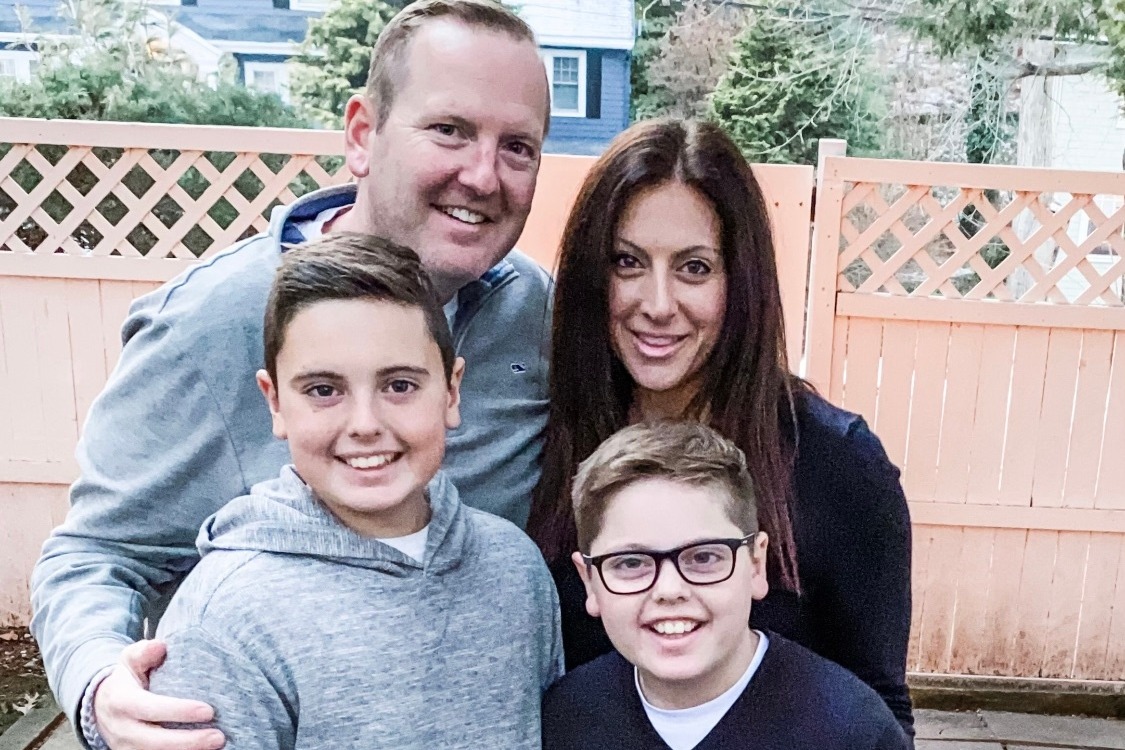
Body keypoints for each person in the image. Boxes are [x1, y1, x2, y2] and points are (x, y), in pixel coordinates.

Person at [31, 2, 553, 748]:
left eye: (518, 147)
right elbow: (99, 552)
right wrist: (97, 682)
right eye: (449, 130)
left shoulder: (535, 310)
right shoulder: (210, 323)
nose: (482, 175)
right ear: (362, 135)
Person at [524, 118, 915, 739]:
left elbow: (880, 705)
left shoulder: (836, 464)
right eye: (627, 262)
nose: (657, 304)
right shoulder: (546, 440)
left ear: (741, 279)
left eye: (694, 267)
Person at [147, 234, 562, 749]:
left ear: (452, 391)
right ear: (274, 402)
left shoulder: (515, 569)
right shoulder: (224, 621)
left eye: (399, 385)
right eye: (324, 390)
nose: (365, 424)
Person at [541, 422, 909, 750]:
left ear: (756, 565)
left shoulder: (851, 729)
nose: (669, 590)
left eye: (703, 557)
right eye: (631, 563)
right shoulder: (564, 720)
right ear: (589, 581)